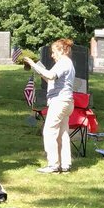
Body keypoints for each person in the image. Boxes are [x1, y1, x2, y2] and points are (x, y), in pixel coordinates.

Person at [19, 38, 79, 173]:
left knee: (49, 131)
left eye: (53, 52)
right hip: (67, 101)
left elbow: (51, 76)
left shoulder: (63, 62)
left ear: (62, 50)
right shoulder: (67, 63)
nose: (52, 55)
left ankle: (53, 164)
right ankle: (65, 164)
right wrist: (39, 70)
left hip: (59, 101)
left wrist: (34, 65)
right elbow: (51, 79)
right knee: (62, 133)